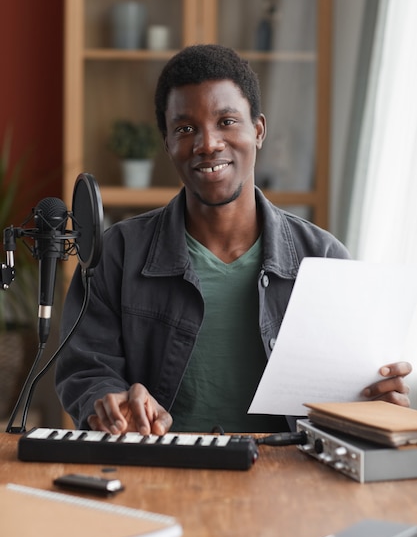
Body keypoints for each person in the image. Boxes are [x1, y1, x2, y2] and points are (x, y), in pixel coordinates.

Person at [55, 44, 412, 435]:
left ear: (258, 131)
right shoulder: (118, 254)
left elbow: (354, 399)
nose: (208, 143)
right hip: (155, 472)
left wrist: (378, 406)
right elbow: (85, 369)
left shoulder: (325, 258)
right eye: (186, 128)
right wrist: (110, 400)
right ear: (168, 143)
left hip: (290, 481)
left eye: (226, 121)